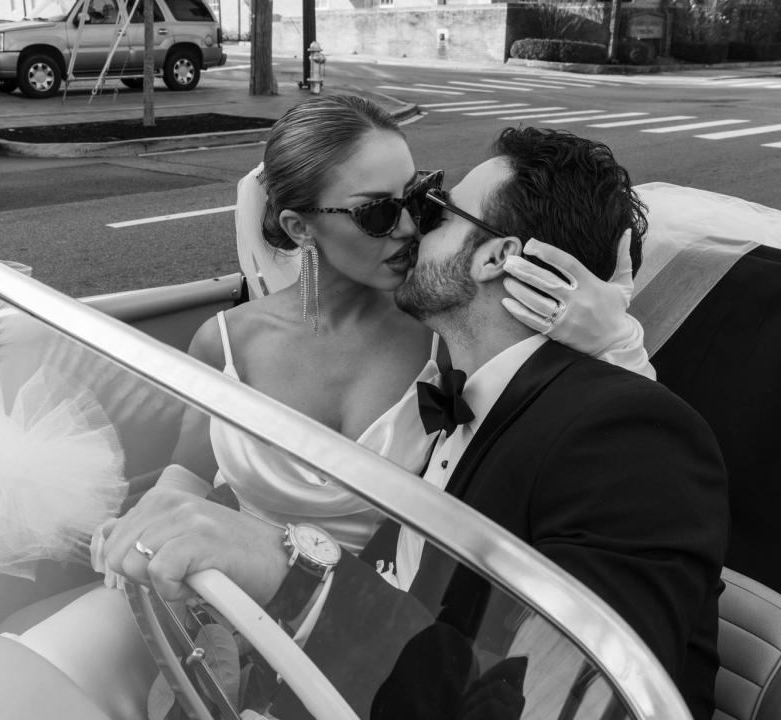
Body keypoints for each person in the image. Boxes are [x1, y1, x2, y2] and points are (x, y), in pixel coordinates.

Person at [101, 127, 729, 720]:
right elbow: (406, 589)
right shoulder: (466, 399)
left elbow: (557, 701)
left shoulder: (628, 438)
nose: (409, 229)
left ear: (496, 257)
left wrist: (291, 570)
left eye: (434, 210)